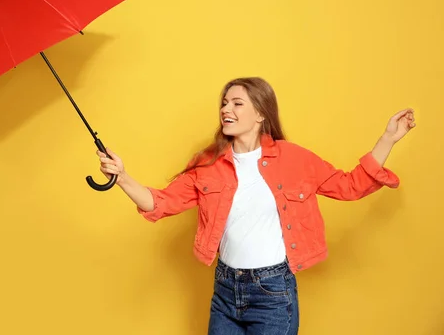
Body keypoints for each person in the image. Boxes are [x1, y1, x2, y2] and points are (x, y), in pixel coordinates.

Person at [96, 77, 415, 335]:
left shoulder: (294, 158)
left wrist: (388, 138)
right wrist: (122, 176)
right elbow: (160, 202)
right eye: (223, 103)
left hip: (273, 293)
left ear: (261, 113)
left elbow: (350, 186)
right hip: (224, 289)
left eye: (237, 103)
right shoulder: (208, 163)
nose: (226, 109)